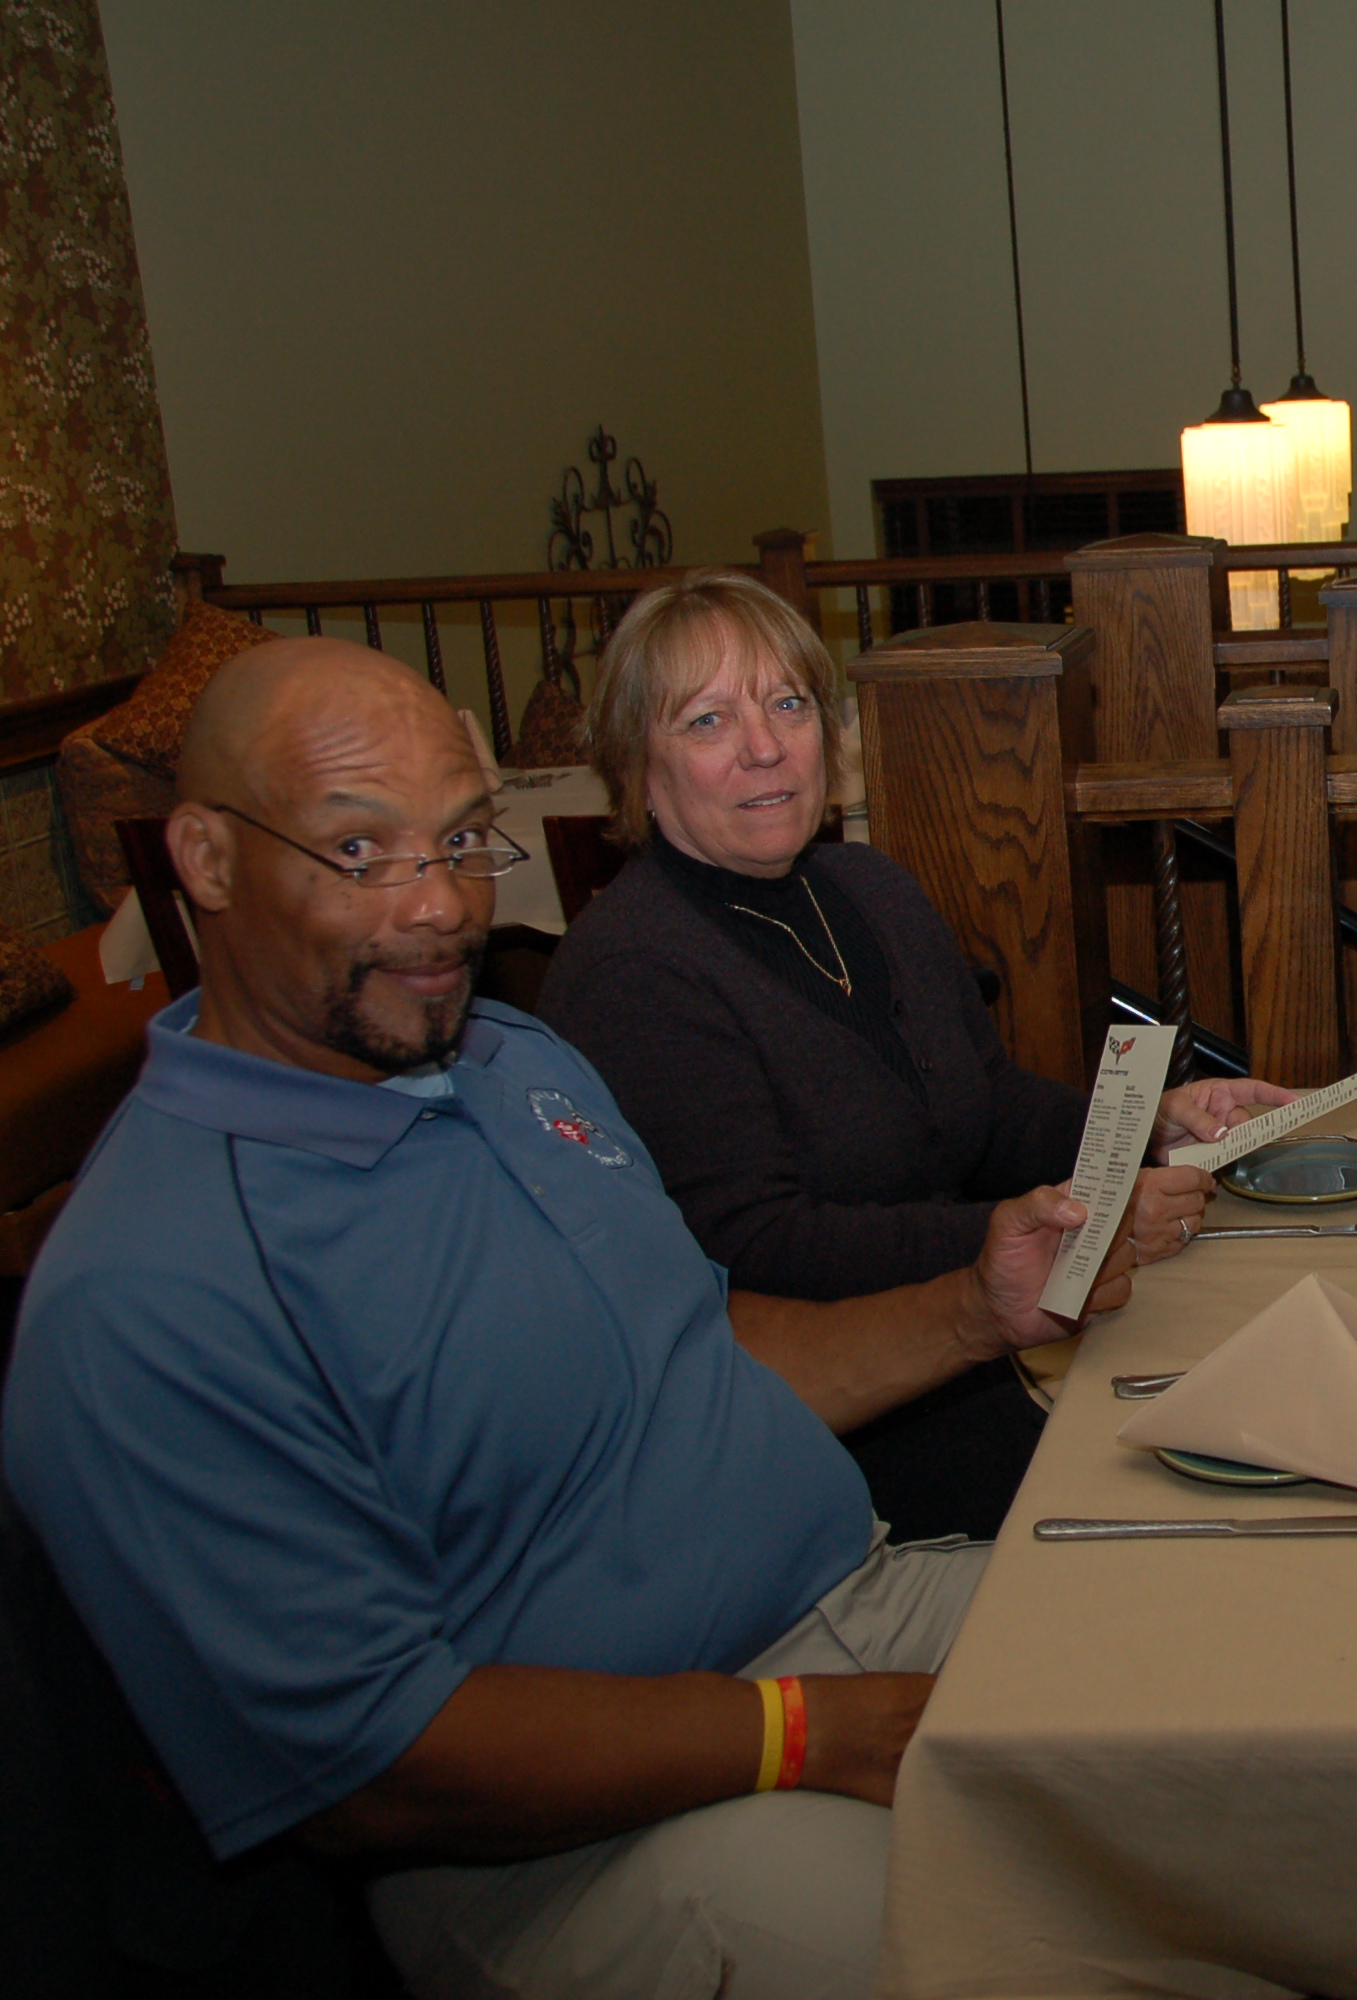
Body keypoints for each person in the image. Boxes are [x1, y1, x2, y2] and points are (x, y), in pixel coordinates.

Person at [2, 638, 1134, 1999]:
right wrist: (802, 1734)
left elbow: (706, 1346)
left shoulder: (511, 1058)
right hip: (572, 1848)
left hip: (861, 1604)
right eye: (360, 852)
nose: (437, 910)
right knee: (1060, 1953)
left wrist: (972, 1310)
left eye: (462, 840)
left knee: (1256, 1690)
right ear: (208, 859)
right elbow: (377, 1767)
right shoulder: (149, 1290)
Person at [537, 571, 1292, 1539]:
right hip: (840, 1426)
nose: (764, 745)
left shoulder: (862, 884)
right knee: (1197, 1502)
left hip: (988, 1344)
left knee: (1263, 1377)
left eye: (786, 702)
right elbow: (758, 1249)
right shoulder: (635, 967)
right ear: (637, 766)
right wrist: (1043, 1232)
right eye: (707, 721)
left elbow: (984, 1102)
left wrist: (1153, 1125)